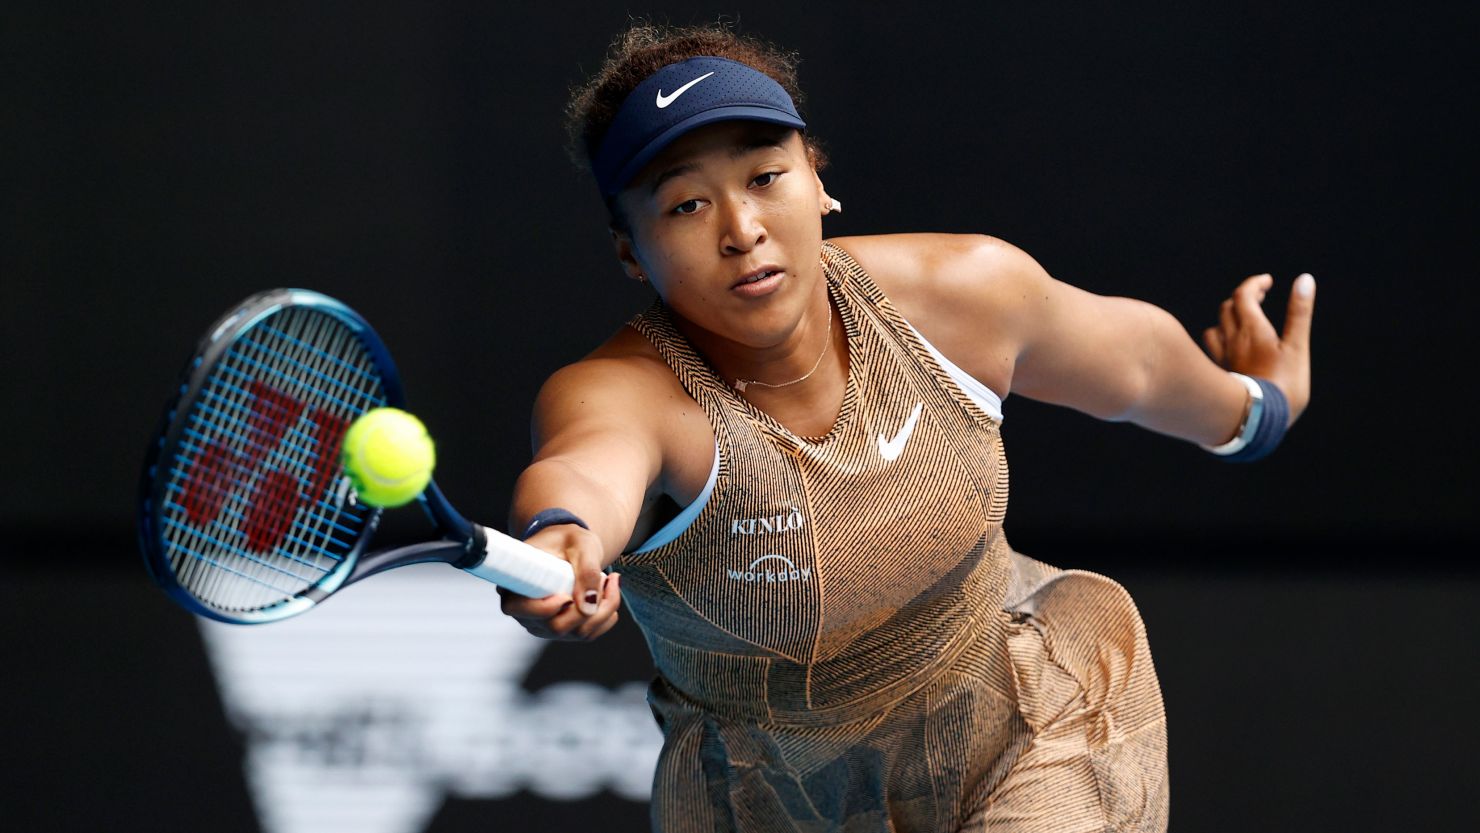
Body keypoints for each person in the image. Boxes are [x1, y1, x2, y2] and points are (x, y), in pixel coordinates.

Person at [499, 22, 1314, 833]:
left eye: (766, 176)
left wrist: (1259, 407)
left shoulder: (962, 292)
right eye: (686, 204)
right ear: (630, 251)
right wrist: (562, 534)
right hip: (764, 803)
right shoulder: (627, 391)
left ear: (816, 181)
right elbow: (583, 466)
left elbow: (1137, 367)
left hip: (1030, 729)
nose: (741, 229)